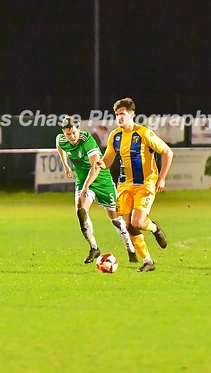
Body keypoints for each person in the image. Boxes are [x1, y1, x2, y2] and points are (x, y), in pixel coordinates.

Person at [96, 98, 173, 273]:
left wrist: (162, 178)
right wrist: (101, 163)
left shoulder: (144, 134)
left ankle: (154, 228)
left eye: (122, 114)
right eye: (117, 114)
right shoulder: (115, 136)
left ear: (131, 115)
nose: (119, 117)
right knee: (128, 225)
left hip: (145, 184)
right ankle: (148, 261)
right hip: (124, 185)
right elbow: (108, 159)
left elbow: (168, 152)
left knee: (137, 222)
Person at [55, 115, 137, 264]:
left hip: (102, 181)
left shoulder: (87, 141)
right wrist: (65, 165)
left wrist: (86, 187)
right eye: (68, 134)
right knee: (81, 211)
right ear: (63, 133)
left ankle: (130, 248)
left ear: (79, 129)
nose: (72, 137)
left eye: (74, 133)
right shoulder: (61, 139)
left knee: (115, 219)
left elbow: (96, 167)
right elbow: (59, 147)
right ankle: (94, 248)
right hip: (83, 181)